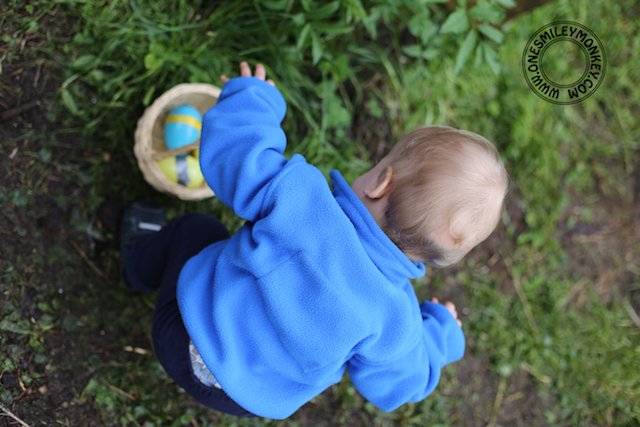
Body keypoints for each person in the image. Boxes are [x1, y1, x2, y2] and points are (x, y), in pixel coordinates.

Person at [120, 62, 508, 419]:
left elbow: (237, 157)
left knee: (198, 230)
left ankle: (136, 262)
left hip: (181, 333)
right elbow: (401, 382)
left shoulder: (301, 199)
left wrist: (254, 98)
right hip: (241, 398)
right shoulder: (397, 322)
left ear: (380, 183)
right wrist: (440, 334)